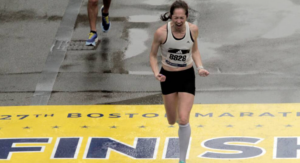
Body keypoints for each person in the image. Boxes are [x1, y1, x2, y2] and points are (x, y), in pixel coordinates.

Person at [149, 1, 209, 162]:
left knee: (183, 119)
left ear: (187, 16)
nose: (179, 21)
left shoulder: (193, 30)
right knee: (171, 120)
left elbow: (194, 50)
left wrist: (200, 67)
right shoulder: (161, 33)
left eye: (182, 18)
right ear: (171, 16)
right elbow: (153, 56)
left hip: (187, 76)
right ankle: (174, 112)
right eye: (175, 18)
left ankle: (182, 159)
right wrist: (156, 73)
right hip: (167, 77)